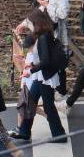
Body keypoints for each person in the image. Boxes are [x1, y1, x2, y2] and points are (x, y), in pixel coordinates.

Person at [9, 10, 66, 144]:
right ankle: (24, 132)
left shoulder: (43, 37)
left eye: (30, 23)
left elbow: (45, 61)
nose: (29, 26)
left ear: (36, 23)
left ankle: (59, 135)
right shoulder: (44, 35)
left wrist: (31, 70)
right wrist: (32, 65)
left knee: (48, 106)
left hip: (45, 77)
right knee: (31, 102)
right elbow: (44, 58)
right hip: (42, 75)